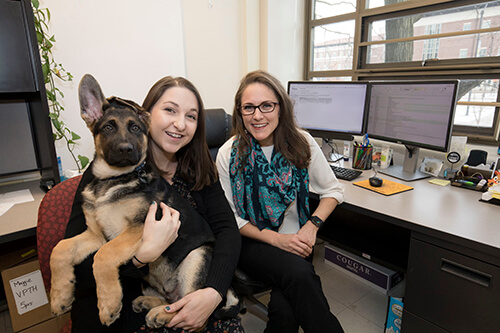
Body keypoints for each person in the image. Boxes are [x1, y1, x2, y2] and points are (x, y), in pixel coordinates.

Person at [64, 76, 243, 333]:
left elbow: (227, 232)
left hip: (196, 285)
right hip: (125, 302)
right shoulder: (110, 171)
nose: (180, 124)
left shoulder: (200, 167)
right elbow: (80, 271)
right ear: (147, 115)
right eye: (170, 110)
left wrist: (213, 293)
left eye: (191, 116)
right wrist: (140, 257)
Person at [216, 70, 345, 333]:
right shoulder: (228, 153)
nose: (258, 115)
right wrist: (277, 240)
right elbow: (232, 219)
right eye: (248, 108)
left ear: (280, 108)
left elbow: (333, 190)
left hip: (297, 239)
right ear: (240, 112)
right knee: (300, 275)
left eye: (266, 105)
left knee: (285, 315)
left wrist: (311, 227)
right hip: (252, 241)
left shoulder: (302, 142)